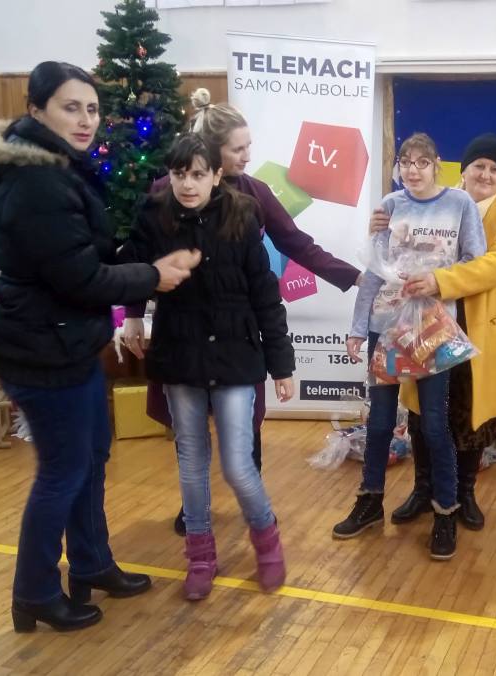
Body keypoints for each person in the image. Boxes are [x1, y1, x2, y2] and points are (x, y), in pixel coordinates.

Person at [0, 61, 200, 632]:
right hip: (43, 349)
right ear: (36, 110)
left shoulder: (59, 169)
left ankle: (92, 563)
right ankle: (34, 592)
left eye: (92, 109)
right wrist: (153, 275)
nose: (85, 120)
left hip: (68, 343)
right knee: (62, 472)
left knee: (90, 458)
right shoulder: (37, 182)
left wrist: (146, 262)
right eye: (71, 107)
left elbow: (86, 258)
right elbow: (80, 279)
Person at [122, 89, 363, 536]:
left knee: (245, 427)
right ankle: (194, 508)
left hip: (237, 334)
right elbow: (140, 256)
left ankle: (251, 499)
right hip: (184, 335)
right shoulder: (163, 194)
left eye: (249, 146)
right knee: (189, 434)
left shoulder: (253, 193)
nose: (248, 156)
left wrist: (353, 276)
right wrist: (133, 313)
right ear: (213, 154)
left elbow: (296, 243)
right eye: (239, 149)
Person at [118, 133, 294, 599]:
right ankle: (200, 557)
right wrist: (135, 308)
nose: (188, 184)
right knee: (192, 464)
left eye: (198, 174)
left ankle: (267, 541)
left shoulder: (242, 214)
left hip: (236, 356)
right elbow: (129, 268)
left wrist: (281, 366)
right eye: (179, 174)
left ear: (217, 175)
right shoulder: (153, 216)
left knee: (237, 464)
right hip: (180, 356)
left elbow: (265, 295)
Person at [332, 132, 487, 560]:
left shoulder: (460, 204)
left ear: (437, 165)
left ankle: (445, 511)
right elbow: (374, 270)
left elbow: (477, 260)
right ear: (398, 166)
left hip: (432, 328)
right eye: (406, 161)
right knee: (380, 421)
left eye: (422, 162)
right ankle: (369, 502)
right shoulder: (390, 204)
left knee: (435, 423)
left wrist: (438, 278)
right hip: (385, 326)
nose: (413, 170)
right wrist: (358, 327)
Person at [369, 133, 496, 531]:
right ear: (463, 169)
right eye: (479, 166)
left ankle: (464, 493)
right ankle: (423, 489)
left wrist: (441, 281)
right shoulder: (436, 200)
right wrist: (380, 227)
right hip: (427, 323)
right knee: (425, 412)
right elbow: (397, 243)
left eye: (495, 169)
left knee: (471, 415)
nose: (486, 175)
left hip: (480, 330)